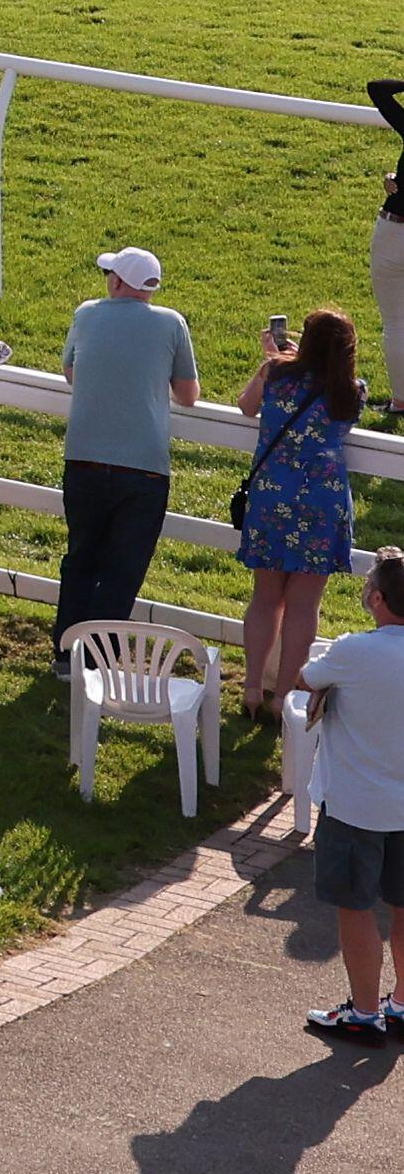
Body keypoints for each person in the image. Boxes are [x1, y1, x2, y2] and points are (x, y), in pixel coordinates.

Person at [59, 243, 202, 635]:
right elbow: (188, 395)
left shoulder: (86, 314)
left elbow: (71, 371)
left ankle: (65, 648)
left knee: (81, 559)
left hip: (84, 458)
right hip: (145, 466)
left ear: (118, 281)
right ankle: (99, 656)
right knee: (124, 569)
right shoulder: (171, 323)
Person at [240, 313, 370, 731]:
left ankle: (251, 689)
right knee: (304, 605)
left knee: (265, 597)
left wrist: (272, 359)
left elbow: (246, 407)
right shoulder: (350, 391)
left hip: (273, 493)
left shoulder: (276, 374)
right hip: (322, 500)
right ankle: (284, 698)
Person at [293, 553, 404, 1039]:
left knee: (355, 908)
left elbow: (304, 679)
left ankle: (363, 1013)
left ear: (377, 598)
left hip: (354, 805)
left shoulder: (354, 650)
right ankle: (401, 1004)